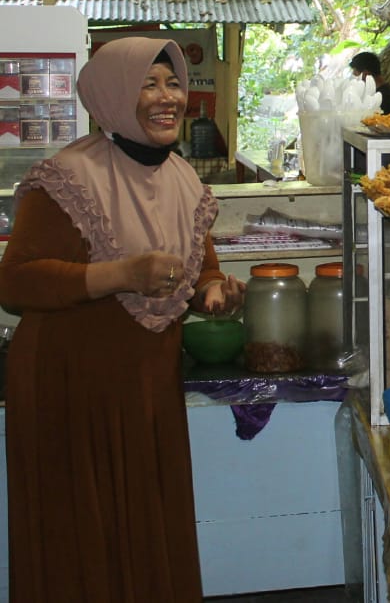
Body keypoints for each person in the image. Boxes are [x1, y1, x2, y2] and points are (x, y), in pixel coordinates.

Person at [0, 37, 246, 601]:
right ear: (111, 95)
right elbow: (15, 283)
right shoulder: (65, 177)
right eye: (148, 84)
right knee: (82, 533)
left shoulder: (182, 178)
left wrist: (213, 293)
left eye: (174, 83)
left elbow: (198, 269)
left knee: (147, 522)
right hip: (70, 387)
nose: (168, 98)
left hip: (144, 385)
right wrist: (121, 274)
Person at [350, 50, 390, 115]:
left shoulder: (383, 97)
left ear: (365, 74)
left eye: (355, 73)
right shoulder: (388, 90)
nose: (354, 79)